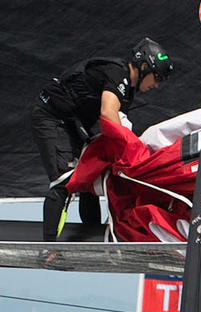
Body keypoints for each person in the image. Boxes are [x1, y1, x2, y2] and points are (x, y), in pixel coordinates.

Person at [31, 37, 174, 241]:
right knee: (65, 180)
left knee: (89, 175)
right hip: (52, 117)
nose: (157, 85)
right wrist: (127, 150)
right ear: (144, 66)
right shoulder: (118, 74)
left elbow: (118, 125)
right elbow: (108, 113)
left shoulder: (127, 90)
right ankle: (48, 246)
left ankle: (93, 236)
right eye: (157, 77)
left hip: (75, 122)